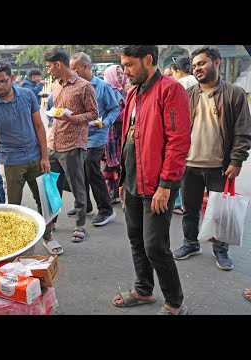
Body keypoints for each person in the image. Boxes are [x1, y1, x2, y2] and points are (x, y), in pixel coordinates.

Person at [111, 45, 191, 315]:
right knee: (136, 239)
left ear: (148, 59)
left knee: (155, 246)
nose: (125, 71)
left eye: (130, 65)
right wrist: (123, 179)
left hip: (157, 186)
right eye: (123, 65)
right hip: (133, 181)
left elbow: (178, 142)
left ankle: (175, 303)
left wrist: (166, 185)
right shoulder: (133, 92)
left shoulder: (171, 89)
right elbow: (128, 137)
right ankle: (143, 290)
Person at [172, 46, 251, 271]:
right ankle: (190, 243)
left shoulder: (234, 93)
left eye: (202, 63)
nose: (197, 68)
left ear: (217, 63)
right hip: (190, 165)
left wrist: (237, 161)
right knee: (190, 209)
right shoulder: (189, 94)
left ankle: (221, 250)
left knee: (220, 212)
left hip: (220, 167)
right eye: (195, 65)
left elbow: (243, 131)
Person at [0, 59, 57, 254]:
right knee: (13, 205)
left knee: (43, 200)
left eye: (3, 81)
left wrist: (45, 157)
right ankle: (16, 246)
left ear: (12, 79)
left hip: (34, 157)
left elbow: (39, 126)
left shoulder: (27, 95)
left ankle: (47, 236)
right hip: (10, 162)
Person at [43, 47, 98, 244]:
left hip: (73, 143)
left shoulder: (84, 86)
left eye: (49, 67)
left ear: (58, 64)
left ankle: (80, 224)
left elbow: (93, 114)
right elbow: (56, 112)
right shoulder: (56, 86)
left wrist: (72, 118)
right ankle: (51, 221)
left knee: (77, 186)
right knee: (52, 186)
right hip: (54, 142)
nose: (48, 70)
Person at [68, 52, 119, 226]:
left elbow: (114, 109)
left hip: (97, 135)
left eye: (74, 68)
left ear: (85, 67)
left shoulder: (103, 87)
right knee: (79, 171)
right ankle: (86, 206)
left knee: (92, 169)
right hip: (78, 136)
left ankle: (106, 210)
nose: (72, 72)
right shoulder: (74, 86)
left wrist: (104, 123)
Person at [169, 56, 199, 215]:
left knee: (180, 168)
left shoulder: (180, 83)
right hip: (197, 131)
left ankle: (178, 203)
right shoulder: (197, 81)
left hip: (184, 130)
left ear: (178, 71)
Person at [103, 64, 127, 205]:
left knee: (119, 164)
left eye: (121, 73)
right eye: (117, 73)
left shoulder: (121, 90)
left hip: (120, 133)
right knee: (110, 166)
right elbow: (116, 113)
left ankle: (116, 193)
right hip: (111, 134)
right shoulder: (109, 90)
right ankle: (111, 194)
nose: (120, 76)